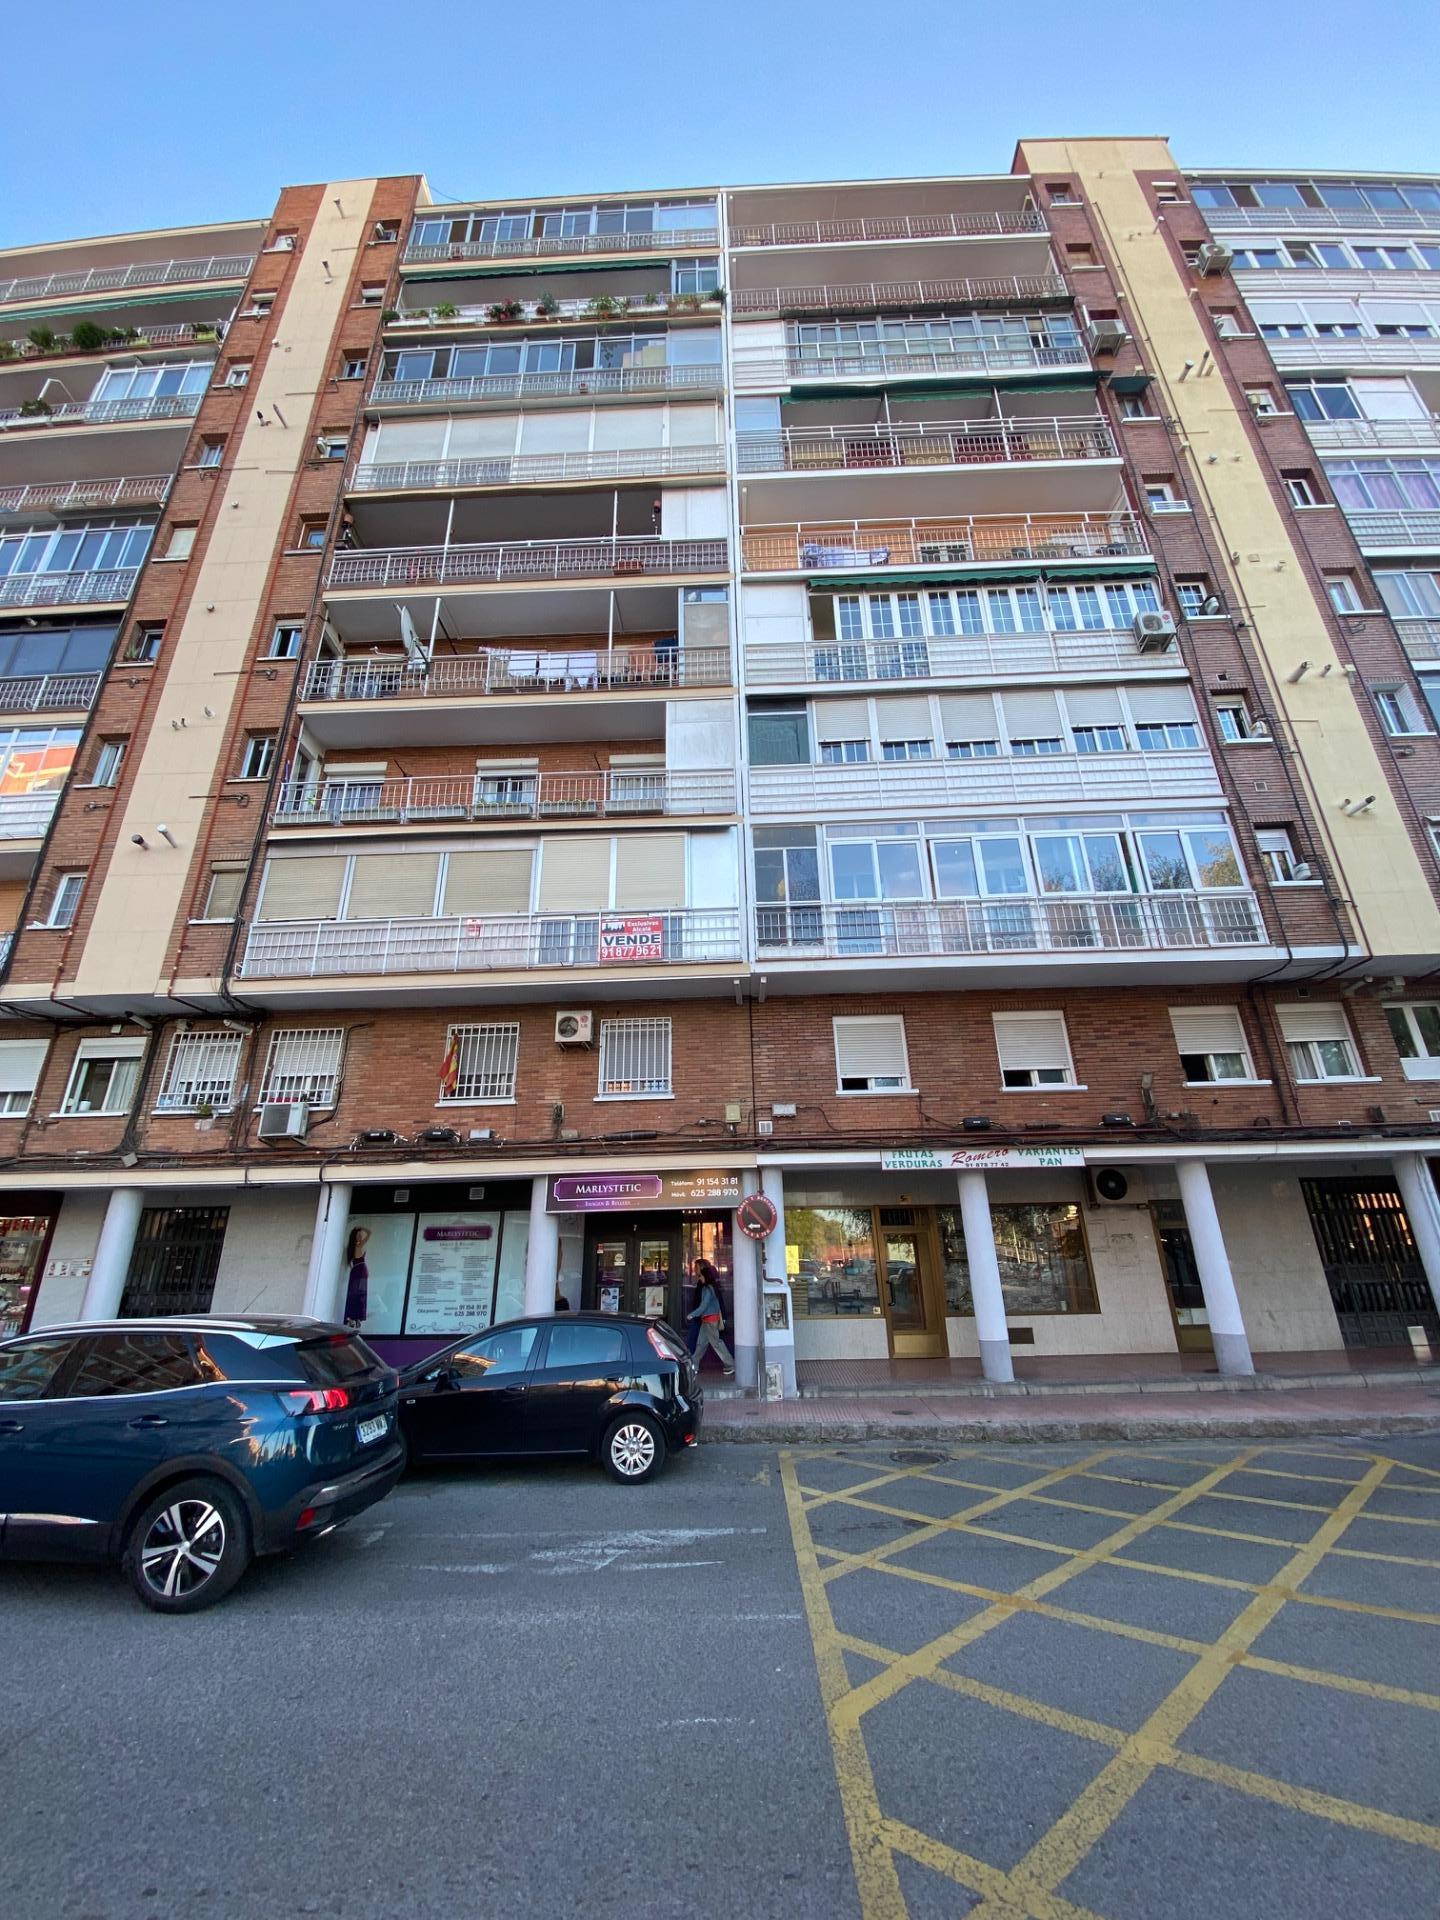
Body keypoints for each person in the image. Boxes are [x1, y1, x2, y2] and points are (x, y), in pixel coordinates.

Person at [686, 1259, 734, 1376]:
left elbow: (704, 1305)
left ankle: (731, 1365)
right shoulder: (709, 1287)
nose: (699, 1279)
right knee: (701, 1344)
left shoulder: (707, 1289)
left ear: (704, 1276)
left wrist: (693, 1314)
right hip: (707, 1320)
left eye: (700, 1277)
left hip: (710, 1320)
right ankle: (694, 1365)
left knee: (716, 1343)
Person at [342, 1225, 371, 1328]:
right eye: (358, 1235)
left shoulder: (351, 1248)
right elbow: (370, 1233)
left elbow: (351, 1263)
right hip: (361, 1270)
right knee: (360, 1294)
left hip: (356, 1270)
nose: (360, 1237)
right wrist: (362, 1227)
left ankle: (352, 1317)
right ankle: (357, 1318)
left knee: (354, 1294)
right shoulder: (358, 1245)